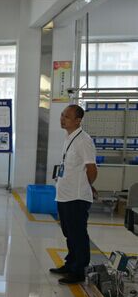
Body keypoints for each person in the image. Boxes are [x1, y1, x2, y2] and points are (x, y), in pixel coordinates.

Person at [50, 104, 98, 285]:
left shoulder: (83, 140)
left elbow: (92, 169)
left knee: (78, 234)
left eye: (67, 117)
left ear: (78, 120)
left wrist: (87, 185)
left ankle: (79, 271)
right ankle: (70, 264)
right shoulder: (69, 137)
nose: (62, 119)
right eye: (62, 115)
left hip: (76, 197)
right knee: (68, 233)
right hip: (64, 194)